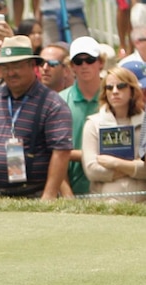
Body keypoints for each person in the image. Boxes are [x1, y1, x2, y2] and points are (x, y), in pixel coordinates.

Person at [0, 35, 73, 199]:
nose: (10, 72)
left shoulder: (52, 103)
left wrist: (49, 195)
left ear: (32, 65)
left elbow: (61, 152)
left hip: (34, 195)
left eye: (16, 66)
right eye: (5, 67)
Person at [81, 66, 146, 202]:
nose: (115, 92)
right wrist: (134, 166)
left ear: (132, 90)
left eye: (121, 86)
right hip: (105, 205)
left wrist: (115, 163)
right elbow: (92, 170)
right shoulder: (93, 124)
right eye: (109, 88)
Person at [60, 36, 104, 196]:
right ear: (72, 66)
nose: (84, 65)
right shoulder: (60, 101)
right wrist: (67, 194)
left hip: (111, 186)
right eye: (78, 61)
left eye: (90, 60)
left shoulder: (115, 97)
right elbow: (54, 152)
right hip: (74, 188)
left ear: (101, 63)